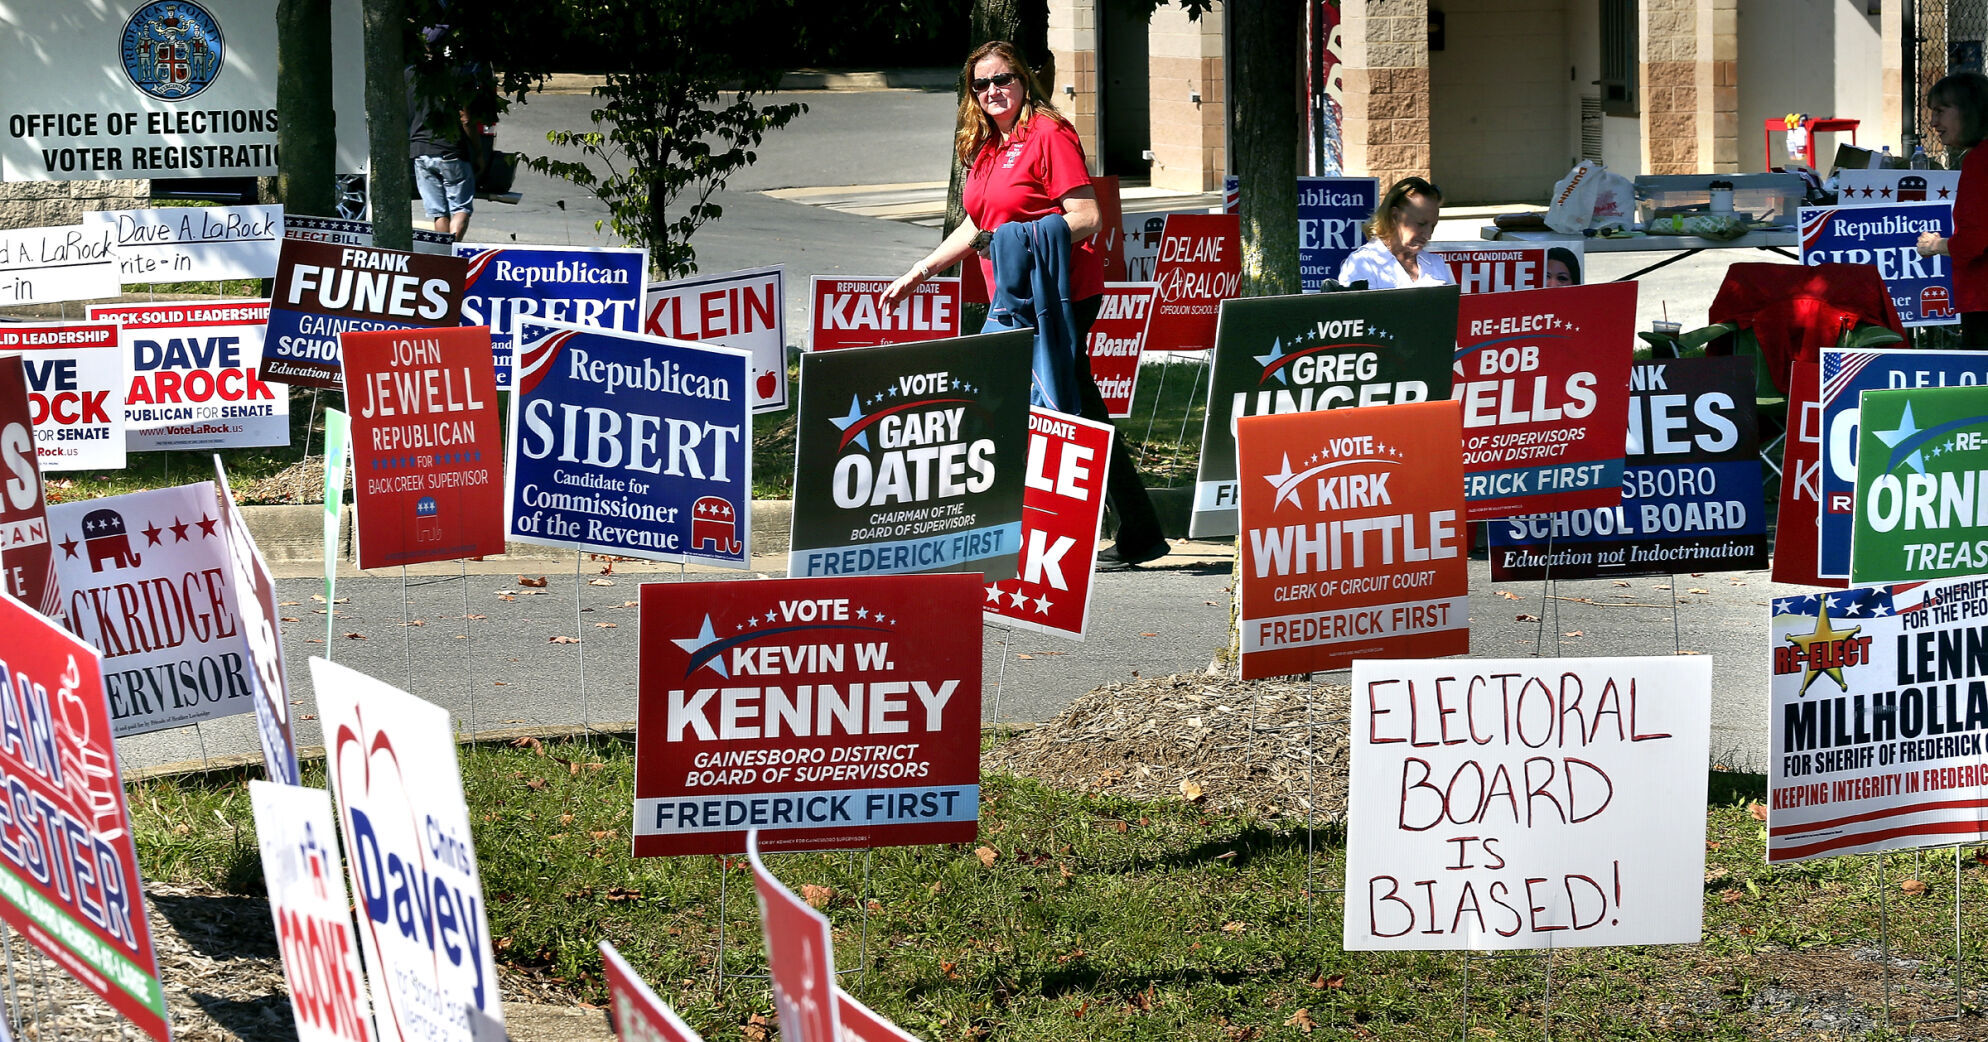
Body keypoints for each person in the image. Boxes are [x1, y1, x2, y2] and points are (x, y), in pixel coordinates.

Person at [882, 41, 1169, 570]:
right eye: (982, 84)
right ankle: (1135, 529)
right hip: (1016, 299)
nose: (993, 90)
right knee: (1076, 409)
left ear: (1024, 80)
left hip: (1057, 298)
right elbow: (979, 223)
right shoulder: (987, 144)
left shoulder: (1048, 133)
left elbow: (1086, 216)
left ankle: (1043, 528)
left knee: (1052, 408)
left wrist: (1019, 238)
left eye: (1003, 79)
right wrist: (921, 271)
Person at [1917, 72, 1988, 345]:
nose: (1934, 123)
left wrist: (1935, 245)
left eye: (1941, 112)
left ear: (1969, 111)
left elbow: (1975, 241)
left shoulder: (1980, 163)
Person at [1337, 177, 1454, 289]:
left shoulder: (1436, 263)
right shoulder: (1363, 263)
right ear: (1394, 216)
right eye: (1421, 224)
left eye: (1433, 226)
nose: (1428, 235)